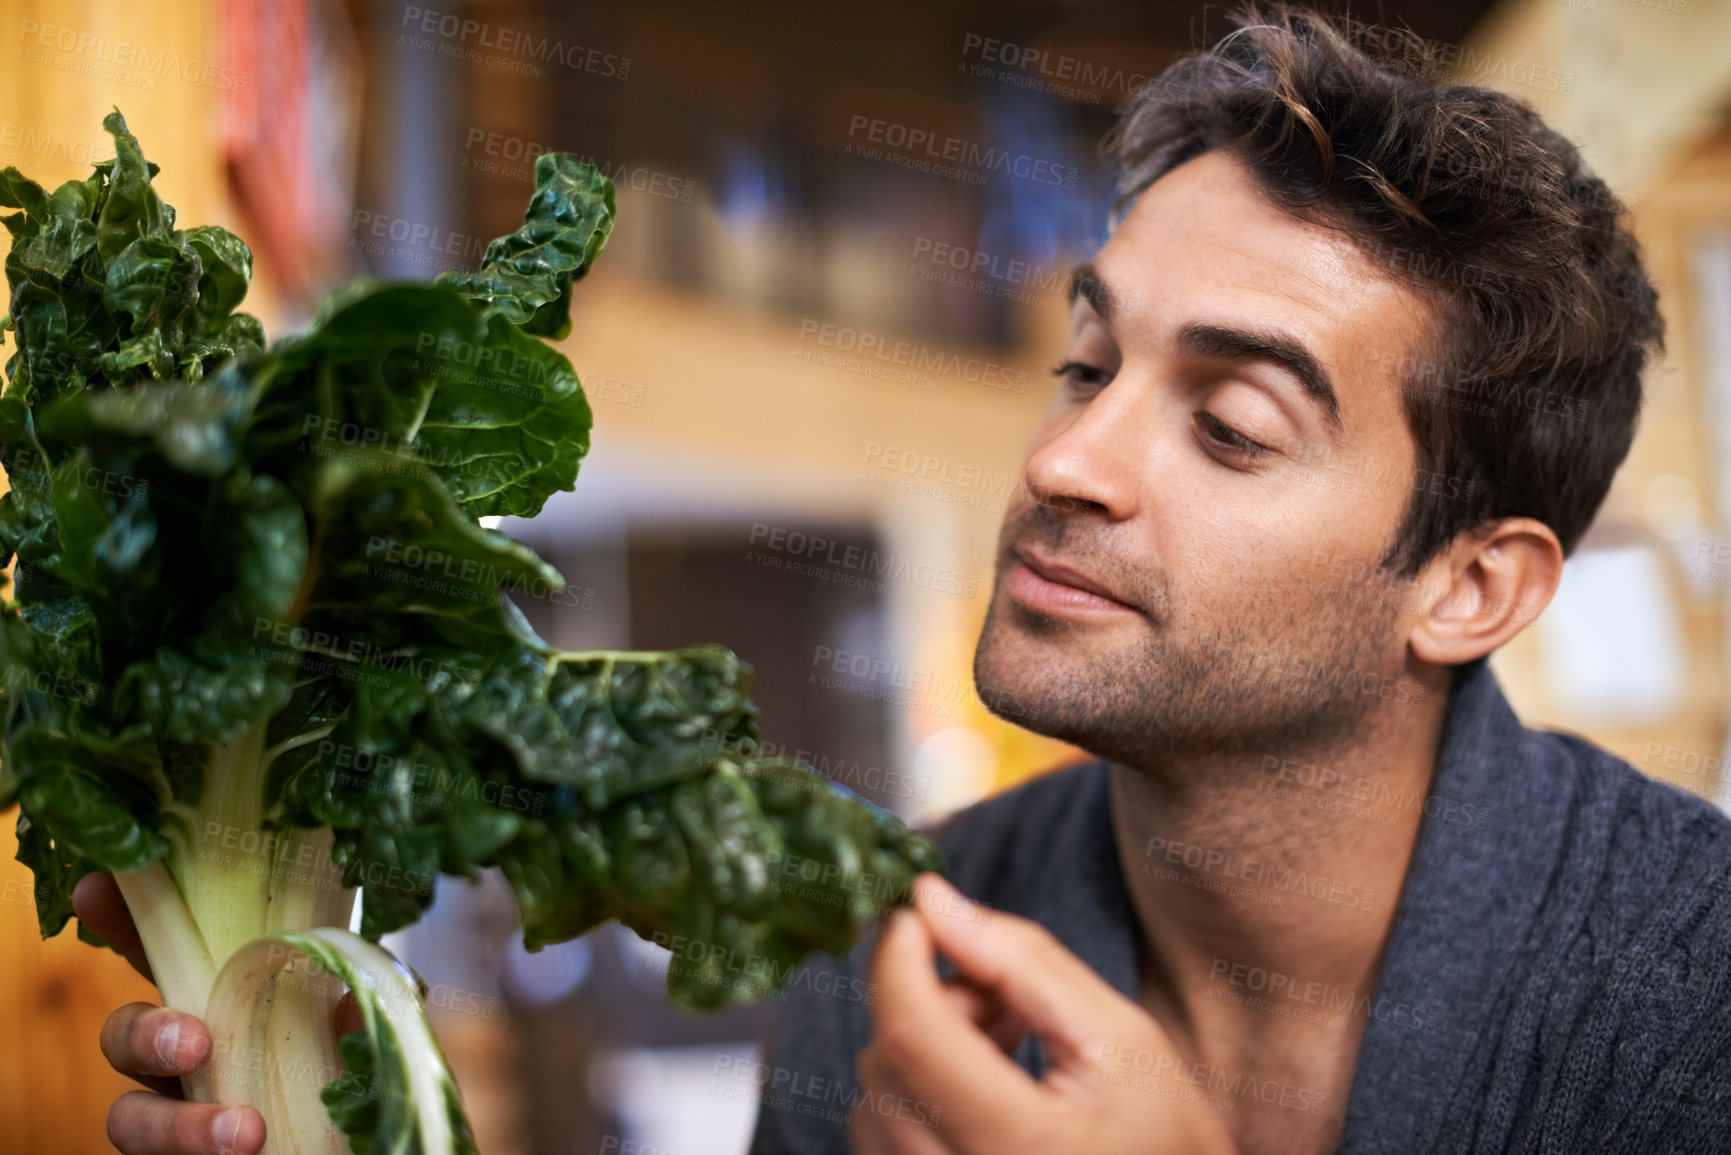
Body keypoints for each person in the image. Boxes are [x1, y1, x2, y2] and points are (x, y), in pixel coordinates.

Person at [81, 5, 1731, 1155]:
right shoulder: (882, 964)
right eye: (1089, 366)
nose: (1063, 464)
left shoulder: (1692, 982)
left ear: (1474, 587)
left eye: (1231, 426)